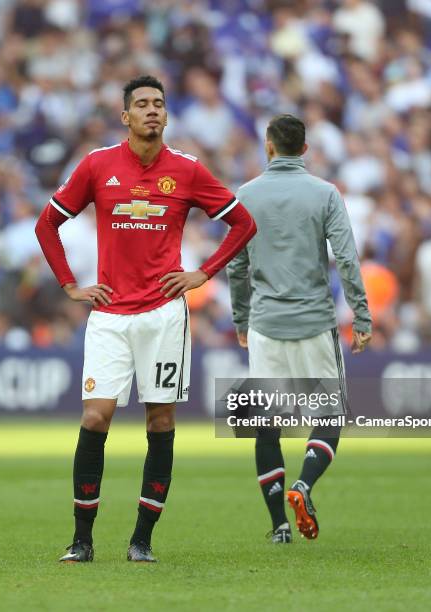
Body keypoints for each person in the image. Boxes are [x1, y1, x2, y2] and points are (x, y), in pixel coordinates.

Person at [35, 75, 256, 562]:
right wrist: (71, 285)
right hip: (110, 313)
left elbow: (244, 222)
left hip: (163, 315)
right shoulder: (97, 165)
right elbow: (46, 223)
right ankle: (82, 539)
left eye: (158, 103)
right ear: (126, 116)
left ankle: (142, 541)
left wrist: (204, 272)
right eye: (142, 104)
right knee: (96, 417)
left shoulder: (188, 170)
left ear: (166, 114)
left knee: (159, 420)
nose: (152, 110)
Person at [226, 114, 371, 543]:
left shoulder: (246, 195)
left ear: (268, 146)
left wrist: (241, 319)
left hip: (266, 325)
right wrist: (361, 316)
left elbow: (237, 264)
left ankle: (279, 527)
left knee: (265, 425)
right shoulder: (325, 193)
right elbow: (346, 258)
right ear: (304, 150)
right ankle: (303, 485)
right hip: (314, 322)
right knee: (329, 416)